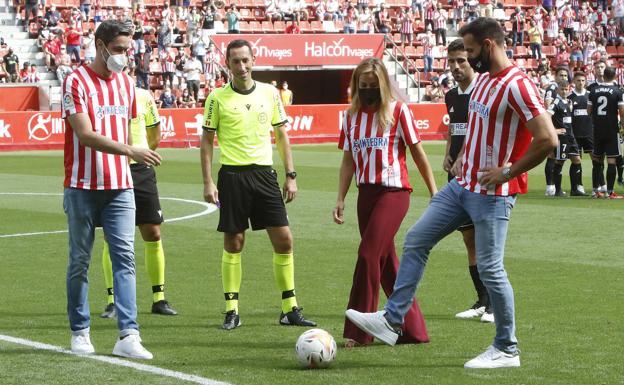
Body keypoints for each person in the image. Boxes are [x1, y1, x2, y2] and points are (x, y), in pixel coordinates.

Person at [345, 17, 557, 369]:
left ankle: (506, 348)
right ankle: (392, 319)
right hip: (462, 186)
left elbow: (548, 139)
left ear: (488, 45)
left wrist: (508, 170)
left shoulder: (517, 85)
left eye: (471, 51)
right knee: (416, 239)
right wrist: (461, 158)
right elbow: (478, 125)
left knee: (490, 268)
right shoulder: (486, 80)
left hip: (492, 192)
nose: (468, 59)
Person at [200, 39, 316, 330]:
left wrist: (291, 175)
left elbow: (282, 136)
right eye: (235, 61)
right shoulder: (216, 98)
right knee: (234, 242)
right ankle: (231, 310)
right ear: (227, 64)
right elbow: (206, 141)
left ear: (254, 60)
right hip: (233, 176)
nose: (241, 66)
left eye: (245, 60)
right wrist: (208, 181)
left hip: (265, 176)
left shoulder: (269, 93)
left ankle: (289, 308)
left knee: (284, 240)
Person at [61, 19, 160, 359]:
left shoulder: (127, 84)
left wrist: (133, 153)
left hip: (120, 185)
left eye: (127, 50)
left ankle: (128, 335)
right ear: (100, 45)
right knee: (79, 260)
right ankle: (80, 331)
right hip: (82, 185)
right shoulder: (75, 81)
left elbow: (127, 125)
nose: (124, 56)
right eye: (118, 49)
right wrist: (132, 151)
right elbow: (85, 134)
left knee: (125, 259)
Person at [333, 58, 435, 348]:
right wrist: (340, 197)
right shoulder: (350, 117)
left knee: (367, 255)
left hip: (393, 193)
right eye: (362, 85)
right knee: (387, 263)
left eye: (372, 85)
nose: (367, 90)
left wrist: (434, 191)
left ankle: (359, 331)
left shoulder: (399, 111)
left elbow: (418, 153)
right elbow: (348, 160)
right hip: (365, 195)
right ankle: (414, 330)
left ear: (383, 85)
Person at [99, 87, 178, 320]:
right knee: (111, 236)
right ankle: (112, 301)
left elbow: (155, 133)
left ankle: (159, 299)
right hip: (113, 168)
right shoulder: (103, 93)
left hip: (141, 170)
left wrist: (142, 155)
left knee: (153, 232)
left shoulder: (144, 96)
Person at [442, 39, 493, 323]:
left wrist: (462, 154)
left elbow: (478, 130)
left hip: (479, 174)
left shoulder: (483, 91)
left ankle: (494, 305)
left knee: (487, 241)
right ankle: (482, 300)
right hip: (457, 174)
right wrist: (447, 154)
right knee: (469, 240)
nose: (456, 67)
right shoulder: (451, 95)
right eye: (452, 62)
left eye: (461, 60)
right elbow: (455, 128)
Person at [547, 67, 585, 196]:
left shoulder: (568, 102)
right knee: (559, 161)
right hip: (562, 137)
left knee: (577, 160)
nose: (564, 91)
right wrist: (555, 130)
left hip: (571, 136)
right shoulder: (555, 103)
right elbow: (546, 118)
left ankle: (575, 189)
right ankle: (557, 190)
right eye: (562, 89)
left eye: (566, 89)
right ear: (558, 90)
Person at [587, 66, 624, 199]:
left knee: (597, 160)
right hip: (611, 130)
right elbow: (622, 112)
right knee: (612, 160)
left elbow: (588, 111)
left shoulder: (593, 90)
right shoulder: (617, 91)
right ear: (614, 76)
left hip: (597, 130)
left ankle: (596, 191)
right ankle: (610, 192)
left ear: (603, 76)